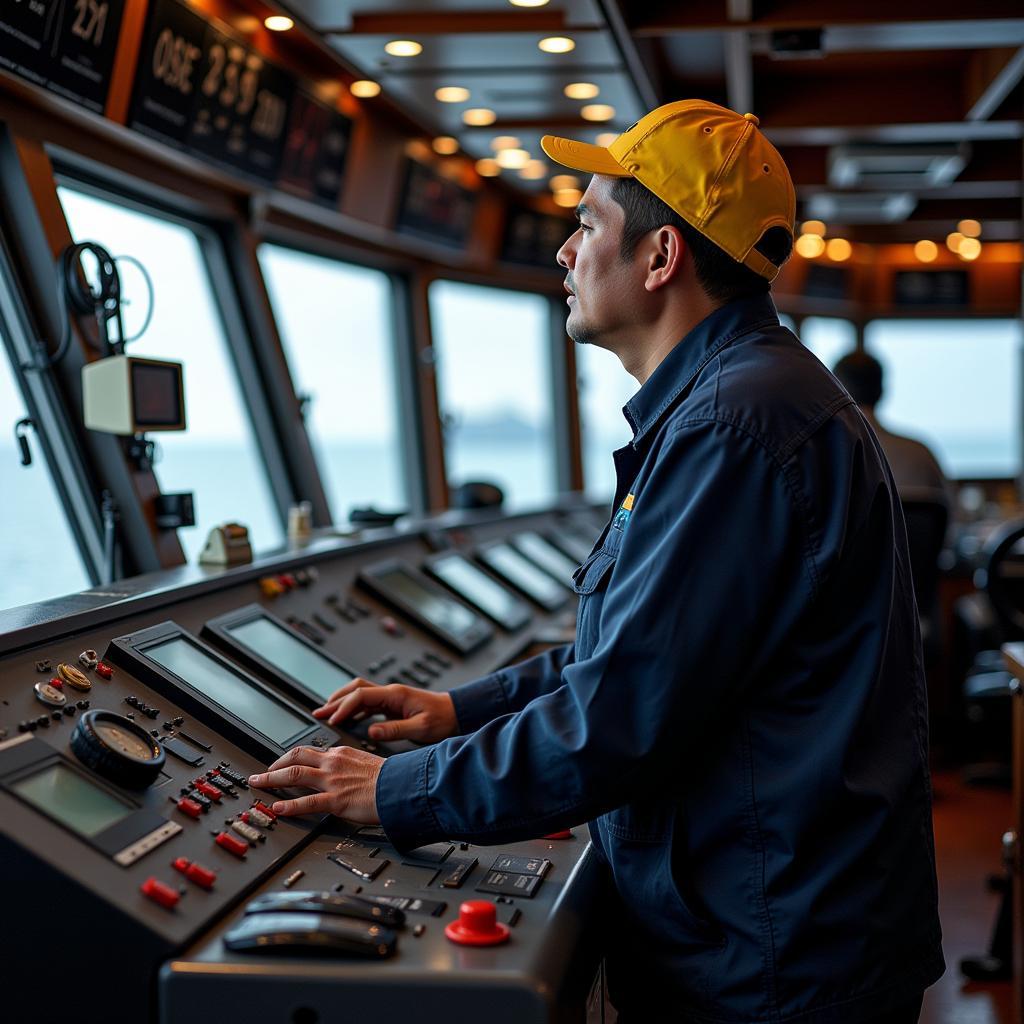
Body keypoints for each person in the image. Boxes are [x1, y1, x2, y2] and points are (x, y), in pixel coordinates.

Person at [248, 100, 944, 1022]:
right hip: (771, 922)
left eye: (588, 226)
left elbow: (620, 717)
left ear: (661, 258)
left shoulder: (735, 427)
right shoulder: (735, 402)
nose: (567, 254)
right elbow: (630, 650)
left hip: (770, 957)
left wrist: (397, 792)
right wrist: (461, 709)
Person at [832, 350, 952, 508]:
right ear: (881, 391)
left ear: (835, 392)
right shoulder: (921, 454)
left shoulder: (830, 457)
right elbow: (953, 516)